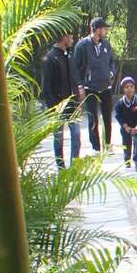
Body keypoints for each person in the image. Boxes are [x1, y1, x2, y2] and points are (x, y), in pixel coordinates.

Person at [73, 16, 117, 152]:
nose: (106, 31)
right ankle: (96, 147)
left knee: (107, 117)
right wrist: (80, 85)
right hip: (90, 87)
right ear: (97, 29)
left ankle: (108, 144)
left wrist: (111, 72)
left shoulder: (106, 44)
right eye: (104, 28)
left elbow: (112, 61)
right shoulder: (82, 45)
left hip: (106, 87)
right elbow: (76, 67)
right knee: (93, 119)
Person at [40, 30, 80, 169]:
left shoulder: (69, 55)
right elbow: (45, 88)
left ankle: (74, 168)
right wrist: (54, 107)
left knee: (76, 135)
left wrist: (78, 98)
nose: (72, 39)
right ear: (64, 37)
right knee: (59, 139)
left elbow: (73, 79)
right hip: (57, 106)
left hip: (71, 105)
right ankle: (61, 169)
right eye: (71, 36)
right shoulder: (50, 58)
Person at [113, 76, 137, 170]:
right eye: (126, 87)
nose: (129, 88)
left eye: (131, 86)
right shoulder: (120, 103)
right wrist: (125, 127)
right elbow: (118, 115)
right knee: (126, 143)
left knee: (136, 142)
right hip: (125, 127)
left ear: (134, 88)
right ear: (123, 89)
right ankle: (127, 160)